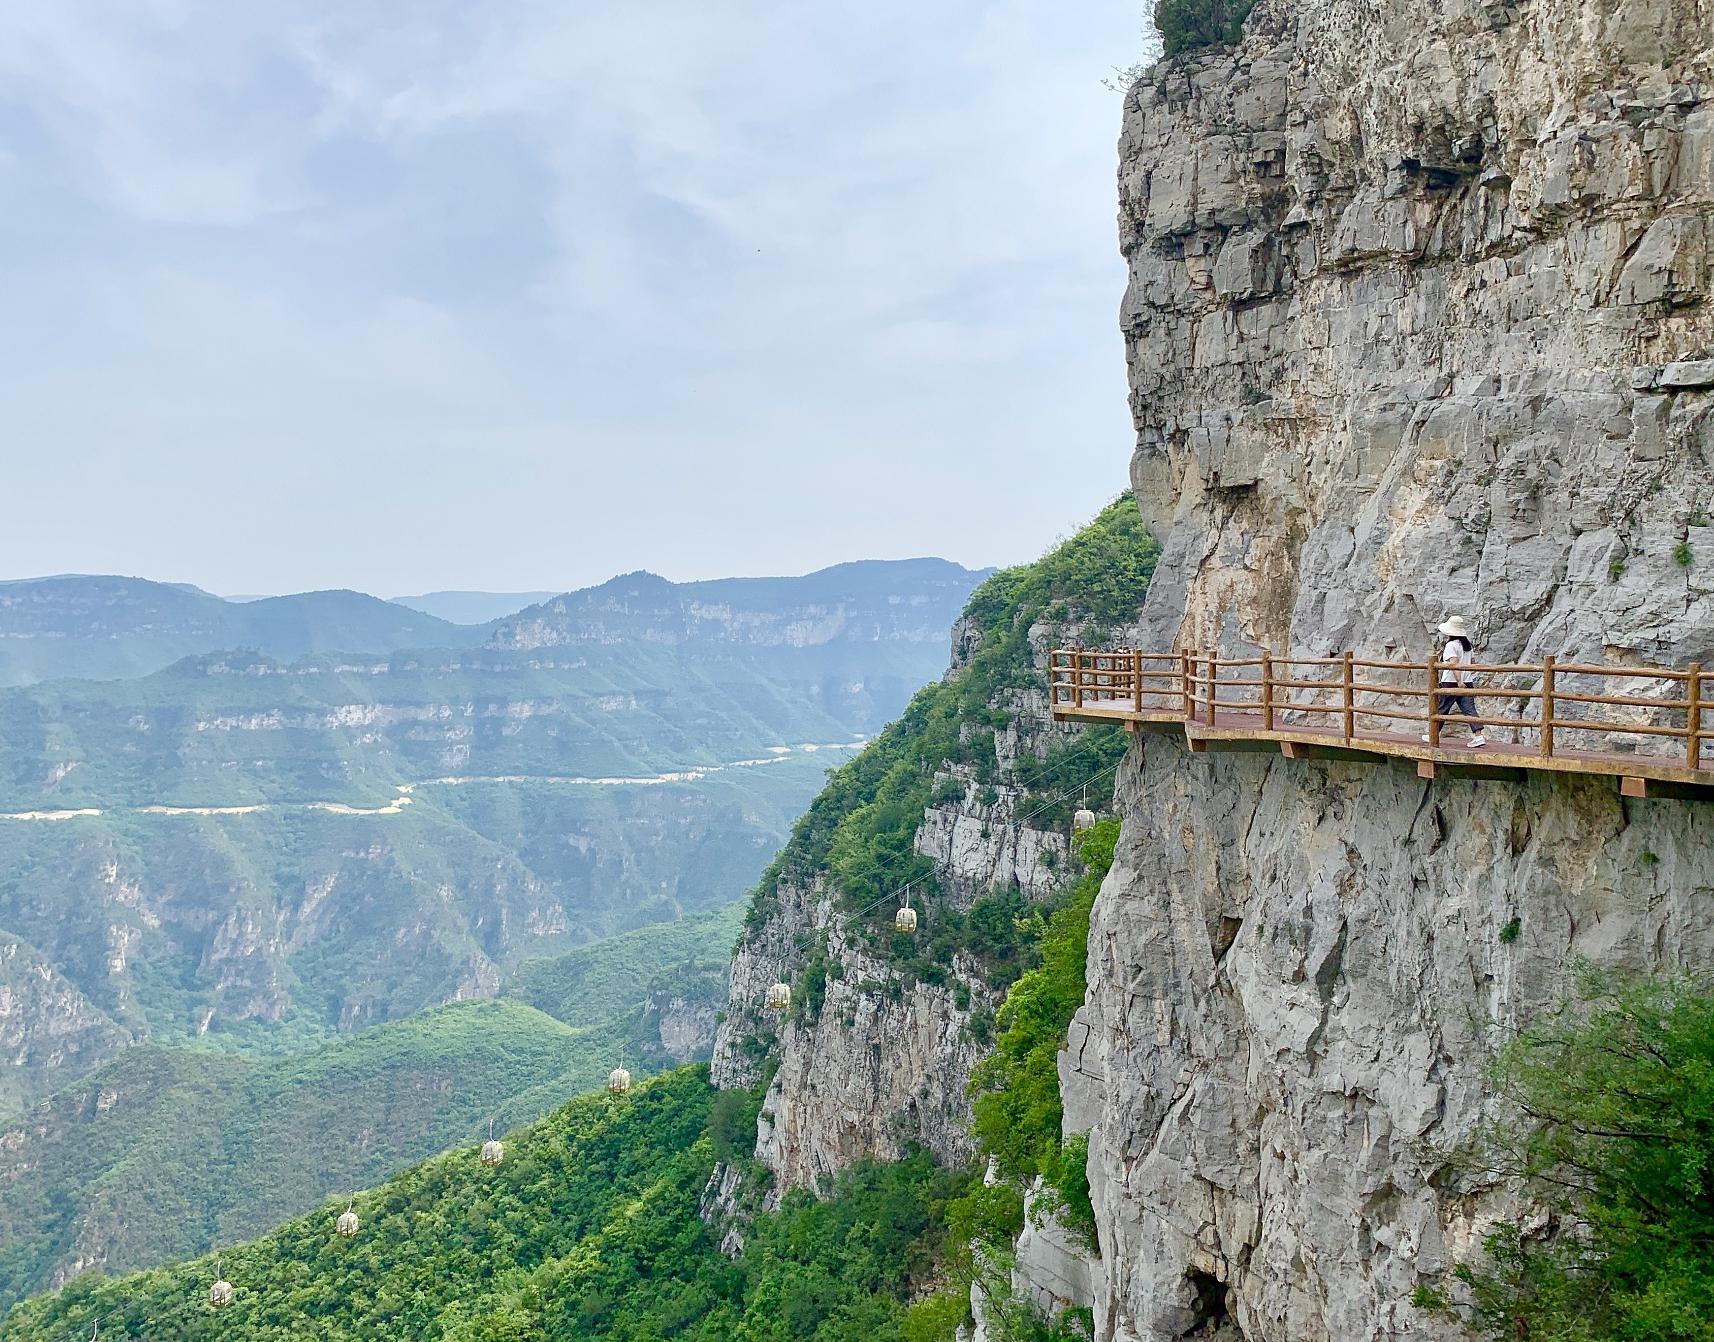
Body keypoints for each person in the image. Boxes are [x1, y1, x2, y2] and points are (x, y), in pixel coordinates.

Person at [1423, 616, 1485, 748]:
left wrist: (1459, 680)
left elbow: (1453, 664)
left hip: (1451, 681)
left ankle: (1433, 734)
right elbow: (1473, 663)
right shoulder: (1467, 646)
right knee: (1469, 709)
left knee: (1441, 709)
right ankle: (1478, 736)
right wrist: (1465, 678)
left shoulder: (1451, 645)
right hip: (1467, 681)